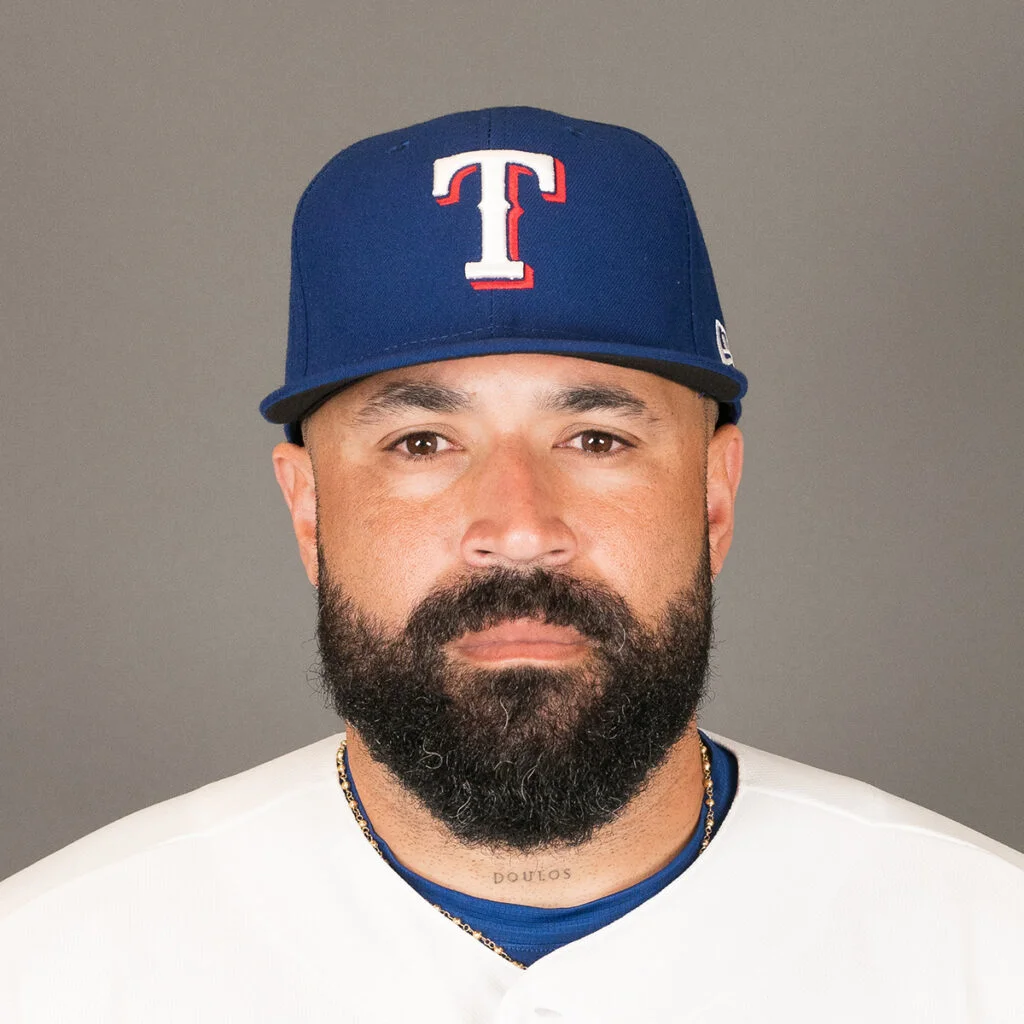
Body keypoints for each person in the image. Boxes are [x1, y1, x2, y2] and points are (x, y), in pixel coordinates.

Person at [1, 106, 1022, 1022]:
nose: (520, 529)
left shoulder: (989, 952)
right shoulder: (47, 968)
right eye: (421, 444)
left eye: (596, 439)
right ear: (308, 510)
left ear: (714, 497)